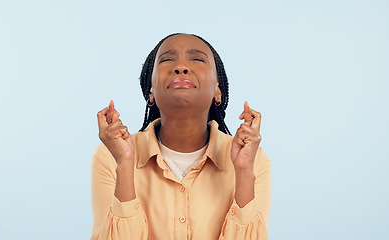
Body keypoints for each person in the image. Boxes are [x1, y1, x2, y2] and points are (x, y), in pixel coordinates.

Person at [91, 33, 271, 240]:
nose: (181, 67)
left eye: (197, 59)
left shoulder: (254, 161)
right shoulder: (110, 156)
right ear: (150, 91)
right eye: (167, 60)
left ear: (217, 91)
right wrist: (124, 164)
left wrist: (243, 171)